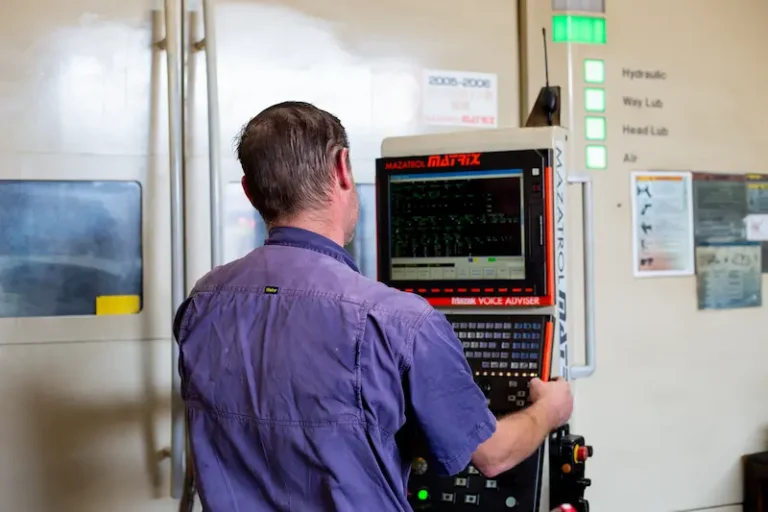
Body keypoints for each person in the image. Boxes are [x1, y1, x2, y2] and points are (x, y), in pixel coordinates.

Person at [173, 101, 574, 511]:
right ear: (343, 167)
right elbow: (493, 456)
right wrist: (549, 410)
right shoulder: (400, 322)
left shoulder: (203, 303)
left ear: (249, 190)